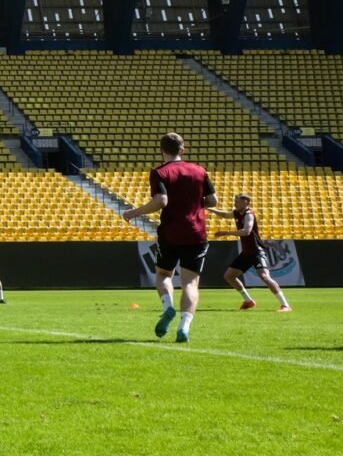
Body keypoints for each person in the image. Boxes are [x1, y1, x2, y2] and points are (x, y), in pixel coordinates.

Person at [122, 132, 216, 343]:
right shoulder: (199, 171)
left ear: (162, 150)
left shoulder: (160, 172)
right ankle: (184, 326)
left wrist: (134, 212)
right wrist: (194, 202)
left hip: (171, 232)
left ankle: (168, 307)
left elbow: (161, 201)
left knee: (164, 274)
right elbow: (213, 200)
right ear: (182, 150)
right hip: (196, 232)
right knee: (190, 283)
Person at [213, 193, 291, 312]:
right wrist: (209, 208)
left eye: (237, 201)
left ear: (246, 202)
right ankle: (248, 301)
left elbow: (246, 231)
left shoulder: (249, 214)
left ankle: (285, 305)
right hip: (246, 253)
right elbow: (224, 214)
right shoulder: (236, 213)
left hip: (256, 251)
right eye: (235, 201)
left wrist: (226, 233)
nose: (235, 203)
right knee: (229, 276)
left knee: (264, 276)